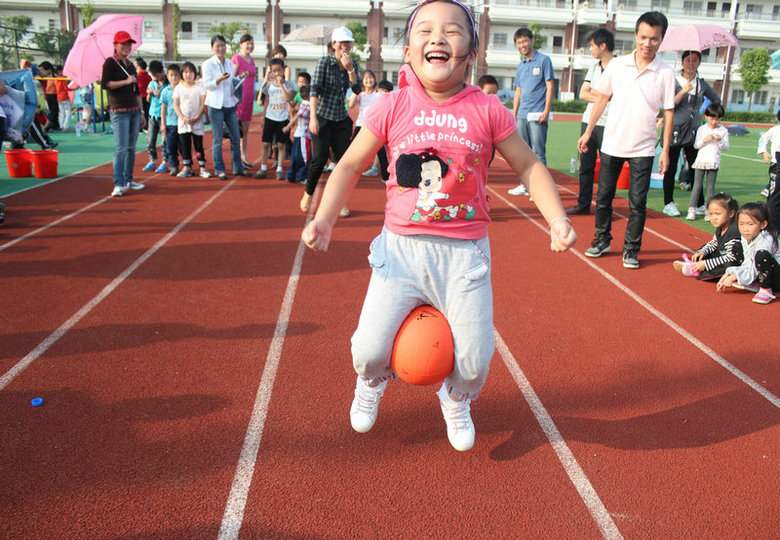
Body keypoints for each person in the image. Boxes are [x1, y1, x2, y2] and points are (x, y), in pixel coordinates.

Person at [301, 0, 577, 452]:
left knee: (475, 361)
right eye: (425, 30)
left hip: (465, 256)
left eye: (452, 30)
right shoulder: (391, 105)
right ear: (408, 51)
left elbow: (528, 165)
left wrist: (557, 218)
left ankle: (456, 398)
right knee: (368, 351)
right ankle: (370, 383)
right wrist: (325, 218)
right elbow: (350, 164)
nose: (438, 37)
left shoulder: (488, 109)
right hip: (401, 250)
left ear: (471, 52)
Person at [577, 11, 676, 269]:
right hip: (612, 143)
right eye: (643, 37)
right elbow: (602, 98)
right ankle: (602, 239)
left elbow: (668, 112)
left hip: (644, 148)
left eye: (654, 38)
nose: (647, 43)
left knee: (637, 203)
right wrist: (588, 132)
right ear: (635, 35)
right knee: (604, 197)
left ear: (661, 39)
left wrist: (665, 150)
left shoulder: (666, 73)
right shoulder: (618, 65)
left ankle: (631, 249)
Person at [300, 26, 361, 217]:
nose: (345, 46)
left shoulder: (352, 63)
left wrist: (350, 70)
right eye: (341, 43)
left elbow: (357, 89)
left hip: (340, 118)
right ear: (334, 44)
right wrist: (313, 118)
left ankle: (339, 202)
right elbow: (314, 90)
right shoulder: (324, 62)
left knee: (343, 163)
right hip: (323, 117)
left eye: (348, 43)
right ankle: (308, 193)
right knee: (319, 159)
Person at [660, 50, 721, 217]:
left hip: (694, 132)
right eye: (688, 60)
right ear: (682, 62)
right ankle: (668, 203)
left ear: (699, 63)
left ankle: (699, 203)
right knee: (671, 167)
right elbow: (668, 104)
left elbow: (716, 100)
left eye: (695, 61)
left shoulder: (701, 84)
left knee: (696, 167)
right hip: (674, 130)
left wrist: (704, 114)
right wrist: (682, 91)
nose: (691, 64)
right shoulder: (674, 81)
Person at [568, 28, 615, 215]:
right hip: (588, 122)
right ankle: (583, 203)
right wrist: (604, 98)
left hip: (609, 124)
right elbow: (583, 93)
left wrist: (598, 95)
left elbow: (617, 95)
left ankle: (604, 207)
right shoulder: (594, 67)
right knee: (586, 166)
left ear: (603, 45)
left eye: (592, 45)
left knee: (607, 169)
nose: (590, 49)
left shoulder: (619, 67)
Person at [507, 27, 554, 196]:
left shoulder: (543, 60)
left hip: (537, 114)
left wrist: (546, 110)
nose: (522, 45)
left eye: (525, 41)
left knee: (538, 152)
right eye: (519, 43)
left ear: (532, 41)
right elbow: (518, 91)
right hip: (522, 115)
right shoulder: (521, 65)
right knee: (523, 152)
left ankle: (541, 190)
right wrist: (514, 114)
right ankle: (525, 185)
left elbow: (550, 85)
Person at [102, 31, 147, 197]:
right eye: (123, 44)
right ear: (115, 45)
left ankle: (128, 179)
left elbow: (136, 92)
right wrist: (125, 81)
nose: (126, 47)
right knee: (120, 148)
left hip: (133, 110)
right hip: (119, 111)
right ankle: (118, 183)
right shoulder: (110, 63)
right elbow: (105, 84)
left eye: (129, 44)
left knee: (131, 148)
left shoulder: (130, 65)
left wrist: (141, 112)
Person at [202, 34, 248, 180]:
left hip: (229, 103)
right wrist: (219, 79)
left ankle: (237, 168)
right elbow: (206, 85)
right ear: (212, 48)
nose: (221, 48)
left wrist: (240, 77)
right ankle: (219, 169)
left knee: (236, 136)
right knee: (218, 139)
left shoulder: (228, 62)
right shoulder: (208, 64)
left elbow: (232, 81)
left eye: (223, 45)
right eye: (218, 46)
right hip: (215, 105)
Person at [717, 202, 780, 305]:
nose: (745, 229)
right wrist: (732, 272)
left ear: (763, 224)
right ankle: (756, 281)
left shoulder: (767, 239)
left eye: (750, 224)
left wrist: (736, 276)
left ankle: (766, 290)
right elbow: (748, 260)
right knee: (736, 247)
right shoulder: (746, 237)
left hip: (777, 277)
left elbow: (755, 263)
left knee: (762, 255)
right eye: (741, 224)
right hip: (764, 270)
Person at [673, 193, 742, 279]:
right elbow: (714, 243)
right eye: (711, 214)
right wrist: (702, 252)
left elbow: (732, 258)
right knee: (705, 251)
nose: (714, 218)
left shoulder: (734, 231)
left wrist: (706, 264)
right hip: (724, 255)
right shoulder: (721, 227)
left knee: (725, 266)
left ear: (731, 213)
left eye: (718, 214)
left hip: (735, 262)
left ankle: (699, 270)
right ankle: (696, 265)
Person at [687, 103, 729, 221]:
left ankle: (708, 211)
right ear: (706, 117)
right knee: (697, 186)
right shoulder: (702, 129)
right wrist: (705, 140)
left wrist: (720, 141)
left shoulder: (723, 130)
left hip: (713, 161)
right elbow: (696, 145)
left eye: (718, 119)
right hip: (701, 160)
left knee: (710, 188)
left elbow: (725, 147)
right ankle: (692, 209)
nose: (715, 122)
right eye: (712, 119)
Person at [254, 57, 294, 180]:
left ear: (283, 70)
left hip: (282, 118)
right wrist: (264, 117)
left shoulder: (288, 84)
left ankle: (279, 169)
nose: (277, 73)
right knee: (265, 143)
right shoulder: (268, 85)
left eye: (279, 70)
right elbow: (266, 101)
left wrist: (281, 84)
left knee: (281, 144)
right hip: (270, 117)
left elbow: (287, 98)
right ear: (270, 72)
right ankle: (263, 167)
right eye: (274, 71)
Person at [173, 61, 210, 178]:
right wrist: (183, 117)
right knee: (185, 145)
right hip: (183, 122)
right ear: (182, 74)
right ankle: (187, 167)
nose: (188, 75)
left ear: (195, 73)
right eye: (186, 72)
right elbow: (176, 105)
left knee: (198, 145)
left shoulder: (199, 87)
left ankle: (202, 166)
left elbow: (203, 103)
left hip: (196, 121)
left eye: (191, 72)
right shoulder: (178, 88)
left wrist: (197, 116)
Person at [231, 33, 257, 168]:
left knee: (246, 129)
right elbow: (232, 79)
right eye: (247, 43)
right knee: (238, 130)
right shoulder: (236, 58)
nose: (250, 46)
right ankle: (237, 159)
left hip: (249, 98)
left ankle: (244, 156)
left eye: (252, 43)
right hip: (239, 99)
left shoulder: (251, 60)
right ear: (241, 44)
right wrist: (241, 76)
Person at [348, 69, 381, 177]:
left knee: (380, 149)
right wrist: (355, 92)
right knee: (353, 147)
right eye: (366, 78)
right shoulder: (360, 95)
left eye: (371, 78)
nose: (368, 80)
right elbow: (350, 105)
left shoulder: (378, 94)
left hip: (374, 126)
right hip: (361, 123)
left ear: (374, 80)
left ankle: (380, 172)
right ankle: (352, 168)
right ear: (362, 81)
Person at [142, 61, 169, 173]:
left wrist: (160, 95)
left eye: (157, 75)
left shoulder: (168, 84)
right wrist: (150, 93)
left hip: (164, 117)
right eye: (153, 76)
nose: (155, 78)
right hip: (152, 115)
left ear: (162, 72)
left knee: (164, 141)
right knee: (150, 140)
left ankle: (165, 162)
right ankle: (152, 160)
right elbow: (148, 100)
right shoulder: (152, 83)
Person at [757, 109, 780, 231]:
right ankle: (770, 224)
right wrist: (764, 152)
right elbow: (763, 138)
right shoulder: (775, 130)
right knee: (774, 195)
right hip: (776, 165)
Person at [283, 85, 311, 184]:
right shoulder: (308, 105)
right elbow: (298, 115)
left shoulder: (303, 103)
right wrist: (288, 126)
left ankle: (291, 175)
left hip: (298, 135)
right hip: (304, 136)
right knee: (306, 157)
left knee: (296, 156)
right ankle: (302, 177)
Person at [160, 63, 181, 176]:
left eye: (176, 75)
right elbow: (163, 109)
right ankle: (174, 166)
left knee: (183, 146)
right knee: (171, 146)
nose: (174, 78)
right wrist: (163, 123)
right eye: (171, 75)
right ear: (167, 76)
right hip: (170, 123)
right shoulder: (165, 91)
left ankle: (187, 165)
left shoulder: (183, 90)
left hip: (182, 123)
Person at [38, 61, 60, 131]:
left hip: (49, 95)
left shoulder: (50, 76)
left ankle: (53, 125)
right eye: (48, 72)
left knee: (53, 111)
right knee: (52, 111)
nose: (48, 74)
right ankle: (50, 125)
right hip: (49, 95)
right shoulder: (41, 75)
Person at [135, 57, 152, 130]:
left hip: (140, 96)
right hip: (147, 96)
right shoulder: (149, 76)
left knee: (140, 112)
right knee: (147, 112)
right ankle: (146, 126)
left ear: (139, 67)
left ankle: (140, 127)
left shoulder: (138, 76)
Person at [54, 65, 72, 132]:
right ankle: (65, 126)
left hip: (59, 97)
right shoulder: (63, 79)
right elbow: (65, 88)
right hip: (64, 96)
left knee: (62, 112)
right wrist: (73, 89)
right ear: (59, 71)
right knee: (68, 112)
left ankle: (61, 126)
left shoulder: (55, 79)